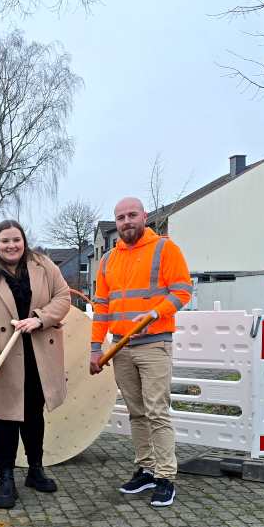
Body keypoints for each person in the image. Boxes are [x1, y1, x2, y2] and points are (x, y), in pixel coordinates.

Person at [89, 197, 192, 508]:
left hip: (154, 344)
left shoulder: (165, 249)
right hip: (120, 347)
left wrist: (153, 315)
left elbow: (183, 291)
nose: (126, 221)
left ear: (144, 217)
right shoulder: (108, 260)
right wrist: (95, 348)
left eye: (132, 215)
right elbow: (101, 307)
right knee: (136, 412)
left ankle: (165, 477)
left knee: (156, 411)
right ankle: (146, 469)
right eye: (120, 217)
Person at [0, 220, 71, 509]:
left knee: (34, 414)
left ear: (23, 241)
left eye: (16, 240)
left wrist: (40, 318)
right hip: (4, 356)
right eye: (5, 241)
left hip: (39, 352)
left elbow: (63, 296)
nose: (11, 245)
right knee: (6, 417)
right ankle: (6, 478)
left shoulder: (44, 266)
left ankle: (35, 470)